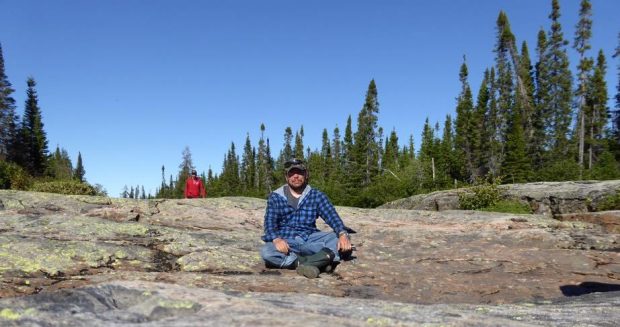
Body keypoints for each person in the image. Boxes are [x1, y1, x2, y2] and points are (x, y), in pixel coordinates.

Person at [260, 158, 352, 279]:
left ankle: (304, 263)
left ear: (306, 174)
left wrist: (342, 234)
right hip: (288, 243)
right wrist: (276, 239)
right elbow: (269, 223)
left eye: (299, 173)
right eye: (291, 173)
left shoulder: (317, 195)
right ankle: (321, 262)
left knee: (339, 239)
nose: (296, 176)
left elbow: (332, 216)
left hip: (310, 239)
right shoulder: (275, 197)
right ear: (286, 177)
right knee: (267, 252)